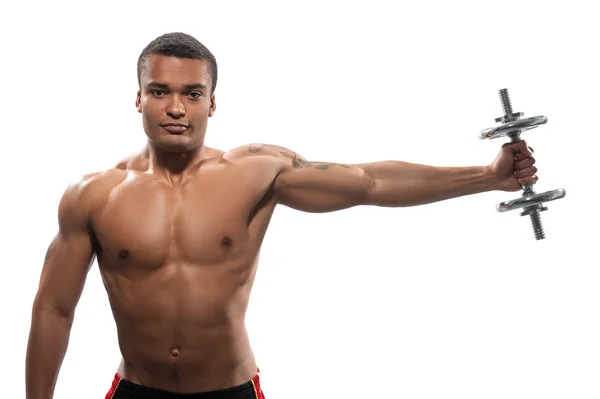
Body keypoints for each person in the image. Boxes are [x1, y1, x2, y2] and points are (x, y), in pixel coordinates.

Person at [25, 32, 538, 399]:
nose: (176, 107)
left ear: (212, 103)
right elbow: (54, 310)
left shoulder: (254, 173)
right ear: (138, 99)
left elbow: (368, 182)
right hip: (137, 390)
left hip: (232, 389)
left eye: (192, 93)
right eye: (160, 91)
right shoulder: (95, 195)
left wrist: (487, 177)